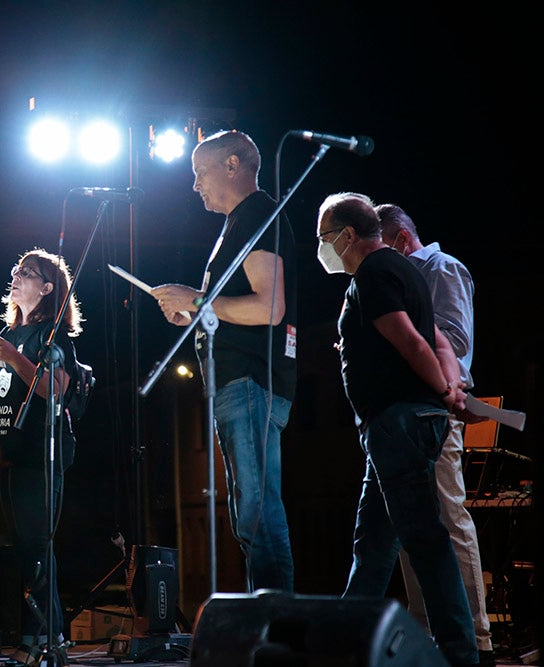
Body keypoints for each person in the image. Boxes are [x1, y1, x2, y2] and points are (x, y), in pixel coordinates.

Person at [316, 192, 479, 667]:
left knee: (425, 540)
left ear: (349, 235)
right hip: (394, 427)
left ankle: (458, 652)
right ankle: (346, 643)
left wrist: (442, 388)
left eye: (326, 237)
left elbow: (410, 340)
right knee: (373, 542)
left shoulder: (375, 271)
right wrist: (449, 384)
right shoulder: (403, 270)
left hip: (399, 422)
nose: (322, 249)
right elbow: (440, 340)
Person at [150, 129, 297, 592]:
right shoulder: (237, 223)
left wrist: (196, 302)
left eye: (200, 172)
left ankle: (279, 625)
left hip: (250, 381)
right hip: (237, 383)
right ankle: (269, 620)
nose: (195, 185)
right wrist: (195, 313)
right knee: (246, 509)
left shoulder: (257, 214)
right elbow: (226, 308)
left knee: (254, 509)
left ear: (232, 165)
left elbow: (268, 308)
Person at [377, 203, 494, 665]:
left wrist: (395, 332)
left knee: (450, 518)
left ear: (402, 241)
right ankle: (427, 633)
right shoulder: (399, 278)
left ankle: (477, 637)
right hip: (402, 414)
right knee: (413, 527)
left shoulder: (442, 269)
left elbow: (457, 342)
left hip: (436, 410)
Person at [0, 248, 82, 655]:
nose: (15, 275)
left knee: (37, 547)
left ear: (46, 288)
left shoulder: (52, 335)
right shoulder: (8, 335)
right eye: (15, 269)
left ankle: (48, 638)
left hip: (39, 456)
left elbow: (54, 390)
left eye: (26, 273)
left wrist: (13, 358)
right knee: (24, 549)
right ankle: (39, 637)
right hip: (8, 452)